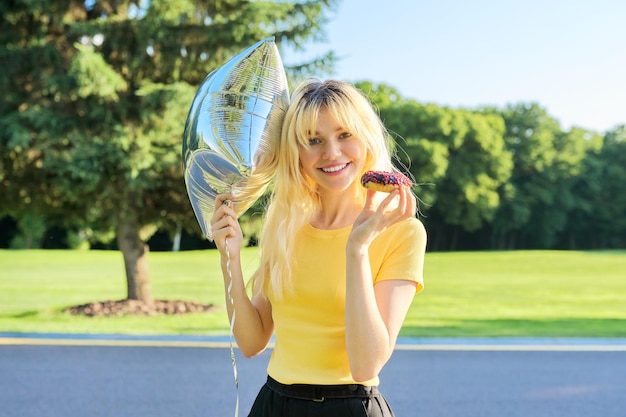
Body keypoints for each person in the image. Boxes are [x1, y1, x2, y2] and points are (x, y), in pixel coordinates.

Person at [210, 79, 427, 417]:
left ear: (366, 137)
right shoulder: (284, 225)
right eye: (313, 140)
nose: (331, 153)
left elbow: (366, 363)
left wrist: (356, 249)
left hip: (352, 407)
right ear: (295, 150)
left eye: (344, 135)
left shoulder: (402, 232)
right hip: (275, 405)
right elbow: (252, 343)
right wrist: (231, 257)